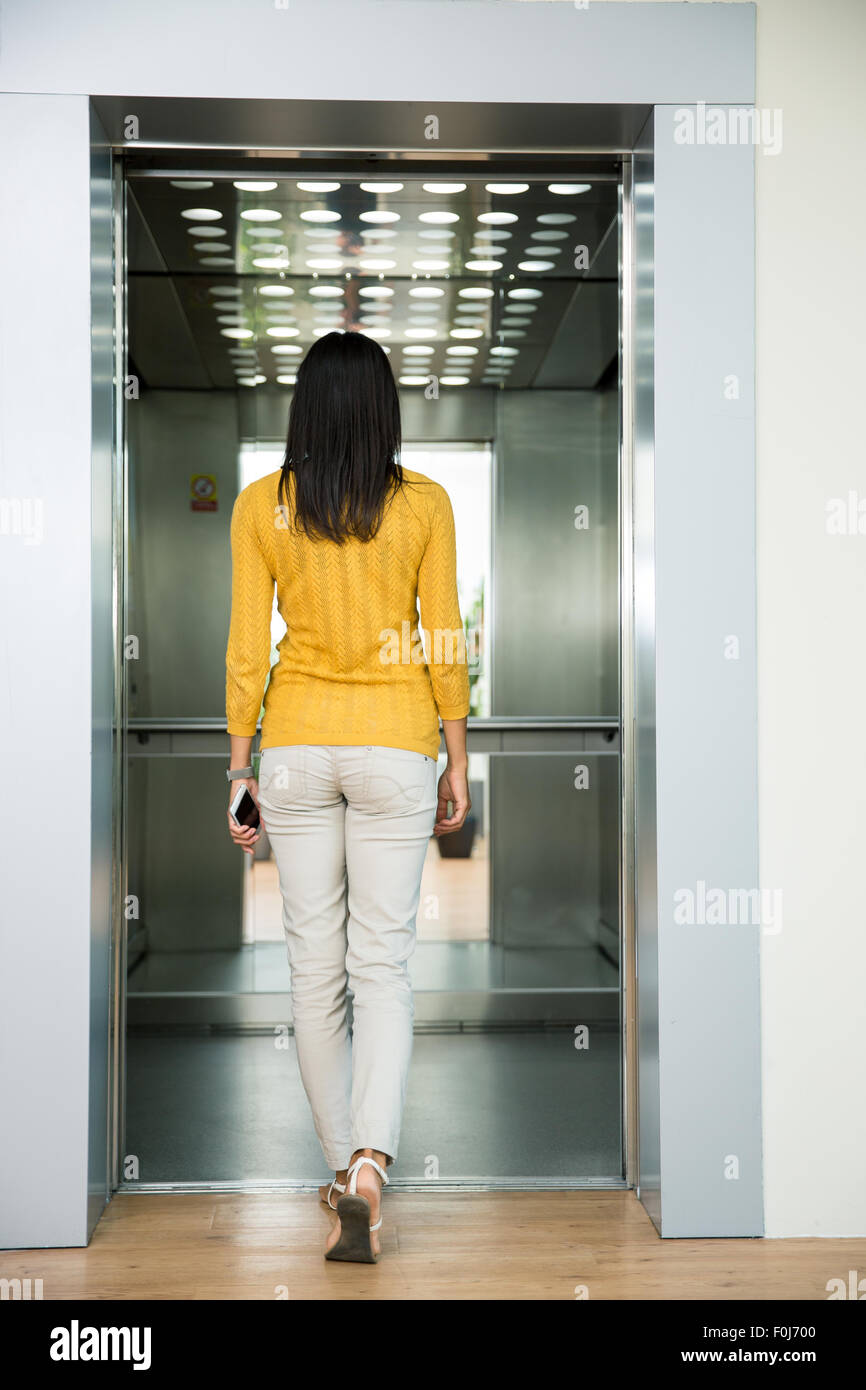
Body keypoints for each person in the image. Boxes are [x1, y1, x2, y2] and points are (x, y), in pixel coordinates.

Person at [224, 330, 471, 1263]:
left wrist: (240, 771)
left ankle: (341, 1175)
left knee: (313, 973)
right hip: (395, 746)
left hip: (292, 747)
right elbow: (443, 634)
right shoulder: (424, 506)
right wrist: (456, 754)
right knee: (384, 966)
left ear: (304, 408)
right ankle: (371, 1164)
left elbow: (248, 646)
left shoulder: (262, 507)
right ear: (384, 409)